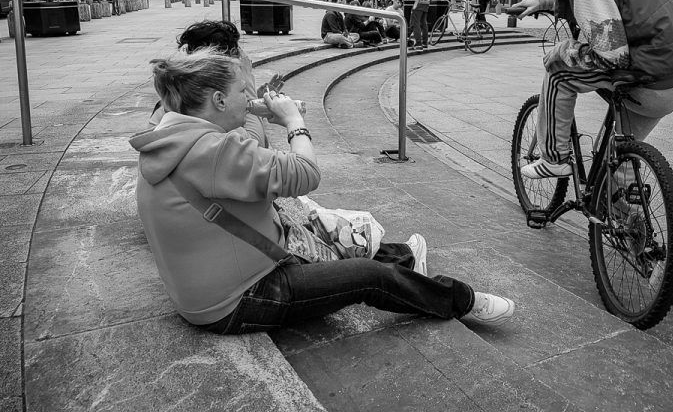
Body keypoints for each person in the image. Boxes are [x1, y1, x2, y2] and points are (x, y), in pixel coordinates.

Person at [129, 48, 516, 333]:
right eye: (240, 93)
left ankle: (406, 262)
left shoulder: (175, 135)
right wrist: (294, 121)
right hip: (242, 298)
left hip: (211, 290)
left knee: (322, 235)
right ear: (217, 100)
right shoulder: (212, 151)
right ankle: (462, 300)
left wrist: (258, 112)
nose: (247, 99)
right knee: (366, 276)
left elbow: (244, 145)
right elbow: (305, 172)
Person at [510, 0, 673, 179]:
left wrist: (564, 51)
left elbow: (611, 55)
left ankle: (554, 159)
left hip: (648, 84)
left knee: (558, 73)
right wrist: (544, 2)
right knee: (614, 154)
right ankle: (625, 214)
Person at [149, 20, 279, 148]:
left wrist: (252, 101)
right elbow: (256, 145)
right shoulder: (211, 118)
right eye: (237, 56)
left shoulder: (173, 103)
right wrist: (247, 87)